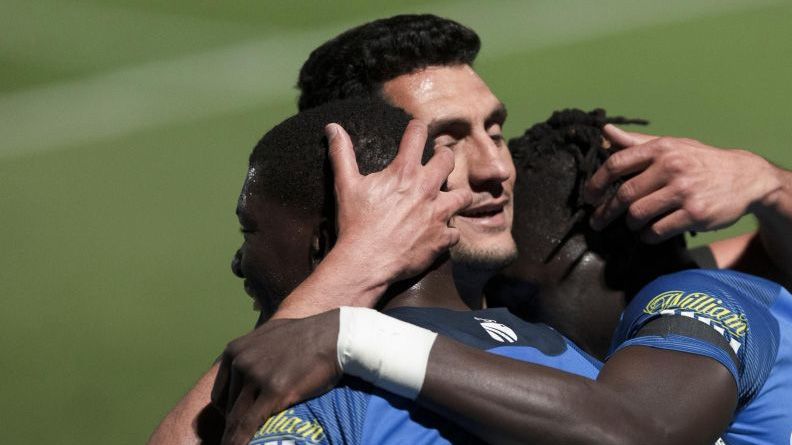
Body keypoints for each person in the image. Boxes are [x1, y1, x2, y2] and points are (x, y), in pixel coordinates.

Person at [150, 14, 792, 444]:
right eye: (447, 140)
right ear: (371, 168)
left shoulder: (573, 272)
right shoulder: (308, 354)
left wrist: (770, 184)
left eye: (494, 128)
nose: (495, 167)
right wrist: (347, 277)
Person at [229, 108, 792, 445]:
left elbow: (640, 428)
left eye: (520, 292)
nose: (504, 310)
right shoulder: (577, 369)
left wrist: (350, 335)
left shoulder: (701, 296)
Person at [214, 98, 606, 445]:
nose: (238, 261)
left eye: (249, 232)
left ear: (323, 241)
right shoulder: (586, 371)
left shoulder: (310, 398)